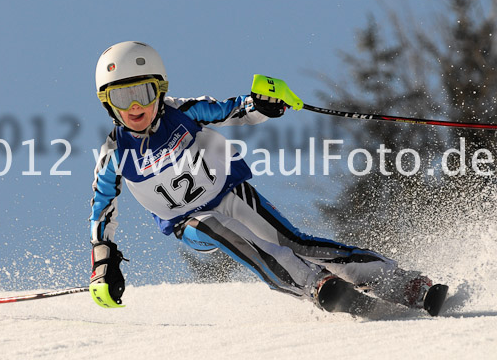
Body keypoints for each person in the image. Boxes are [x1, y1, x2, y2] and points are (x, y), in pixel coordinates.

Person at [88, 41, 448, 316]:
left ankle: (403, 284)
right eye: (122, 96)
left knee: (296, 243)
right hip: (189, 223)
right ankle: (316, 286)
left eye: (143, 92)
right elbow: (102, 209)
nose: (135, 106)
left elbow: (233, 108)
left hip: (229, 193)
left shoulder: (182, 112)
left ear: (160, 90)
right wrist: (103, 262)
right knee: (224, 231)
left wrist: (262, 104)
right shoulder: (113, 154)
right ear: (108, 103)